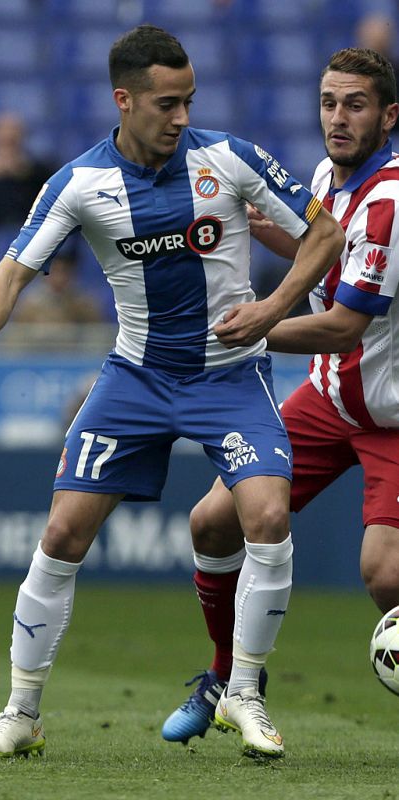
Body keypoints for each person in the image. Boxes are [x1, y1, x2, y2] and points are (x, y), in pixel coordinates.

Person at [0, 24, 343, 761]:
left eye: (190, 100)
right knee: (63, 534)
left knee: (266, 513)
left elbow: (324, 234)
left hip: (228, 375)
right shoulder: (78, 183)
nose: (182, 117)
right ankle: (20, 711)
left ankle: (245, 694)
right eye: (167, 103)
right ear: (124, 101)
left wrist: (272, 307)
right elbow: (9, 273)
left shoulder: (230, 157)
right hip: (135, 376)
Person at [162, 46, 399, 747]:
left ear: (390, 115)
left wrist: (254, 329)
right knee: (213, 522)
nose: (337, 117)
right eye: (329, 102)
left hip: (392, 415)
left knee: (385, 573)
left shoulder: (390, 201)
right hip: (329, 400)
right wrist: (227, 222)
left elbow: (344, 325)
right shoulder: (331, 175)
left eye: (355, 104)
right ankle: (230, 677)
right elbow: (313, 249)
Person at [0, 111, 57, 276]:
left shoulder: (36, 167)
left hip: (30, 230)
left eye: (13, 131)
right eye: (2, 130)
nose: (8, 136)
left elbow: (52, 192)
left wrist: (24, 171)